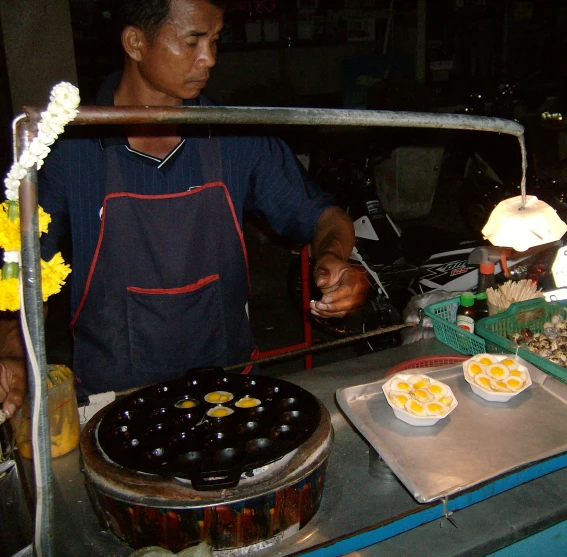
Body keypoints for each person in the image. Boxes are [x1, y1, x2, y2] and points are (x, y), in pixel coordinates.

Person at [0, 0, 367, 417]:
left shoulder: (234, 137)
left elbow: (323, 216)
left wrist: (337, 259)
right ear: (136, 43)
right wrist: (13, 351)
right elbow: (21, 273)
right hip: (111, 400)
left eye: (214, 41)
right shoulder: (68, 149)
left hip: (229, 390)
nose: (209, 58)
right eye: (192, 41)